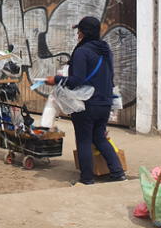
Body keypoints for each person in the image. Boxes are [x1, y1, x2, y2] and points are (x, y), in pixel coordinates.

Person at [45, 16, 126, 185]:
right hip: (104, 103)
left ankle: (87, 179)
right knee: (100, 138)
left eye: (79, 31)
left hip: (86, 105)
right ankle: (118, 172)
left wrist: (56, 79)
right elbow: (108, 77)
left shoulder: (82, 51)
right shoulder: (105, 50)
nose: (77, 34)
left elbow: (77, 81)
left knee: (83, 140)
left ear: (83, 33)